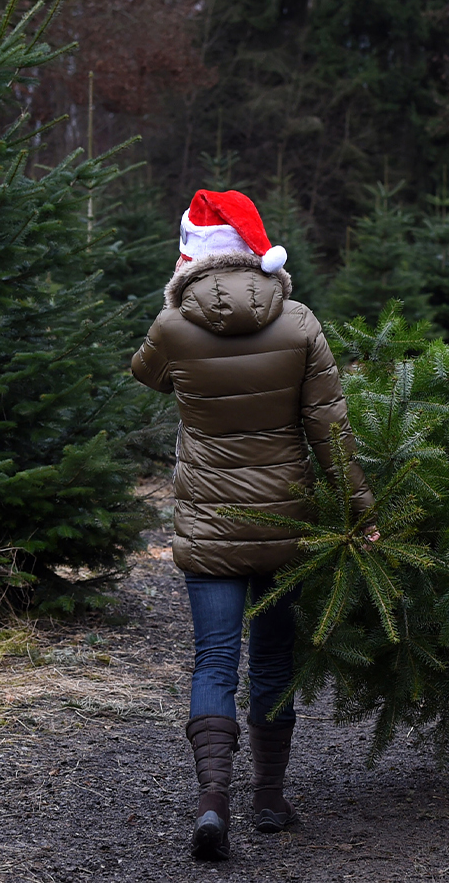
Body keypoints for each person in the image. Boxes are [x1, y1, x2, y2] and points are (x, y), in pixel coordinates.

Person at [131, 189, 375, 862]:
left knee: (215, 660)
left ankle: (213, 803)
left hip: (208, 523)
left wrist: (171, 305)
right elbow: (330, 428)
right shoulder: (298, 322)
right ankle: (270, 797)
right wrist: (362, 511)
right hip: (284, 522)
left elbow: (145, 376)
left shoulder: (175, 326)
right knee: (272, 657)